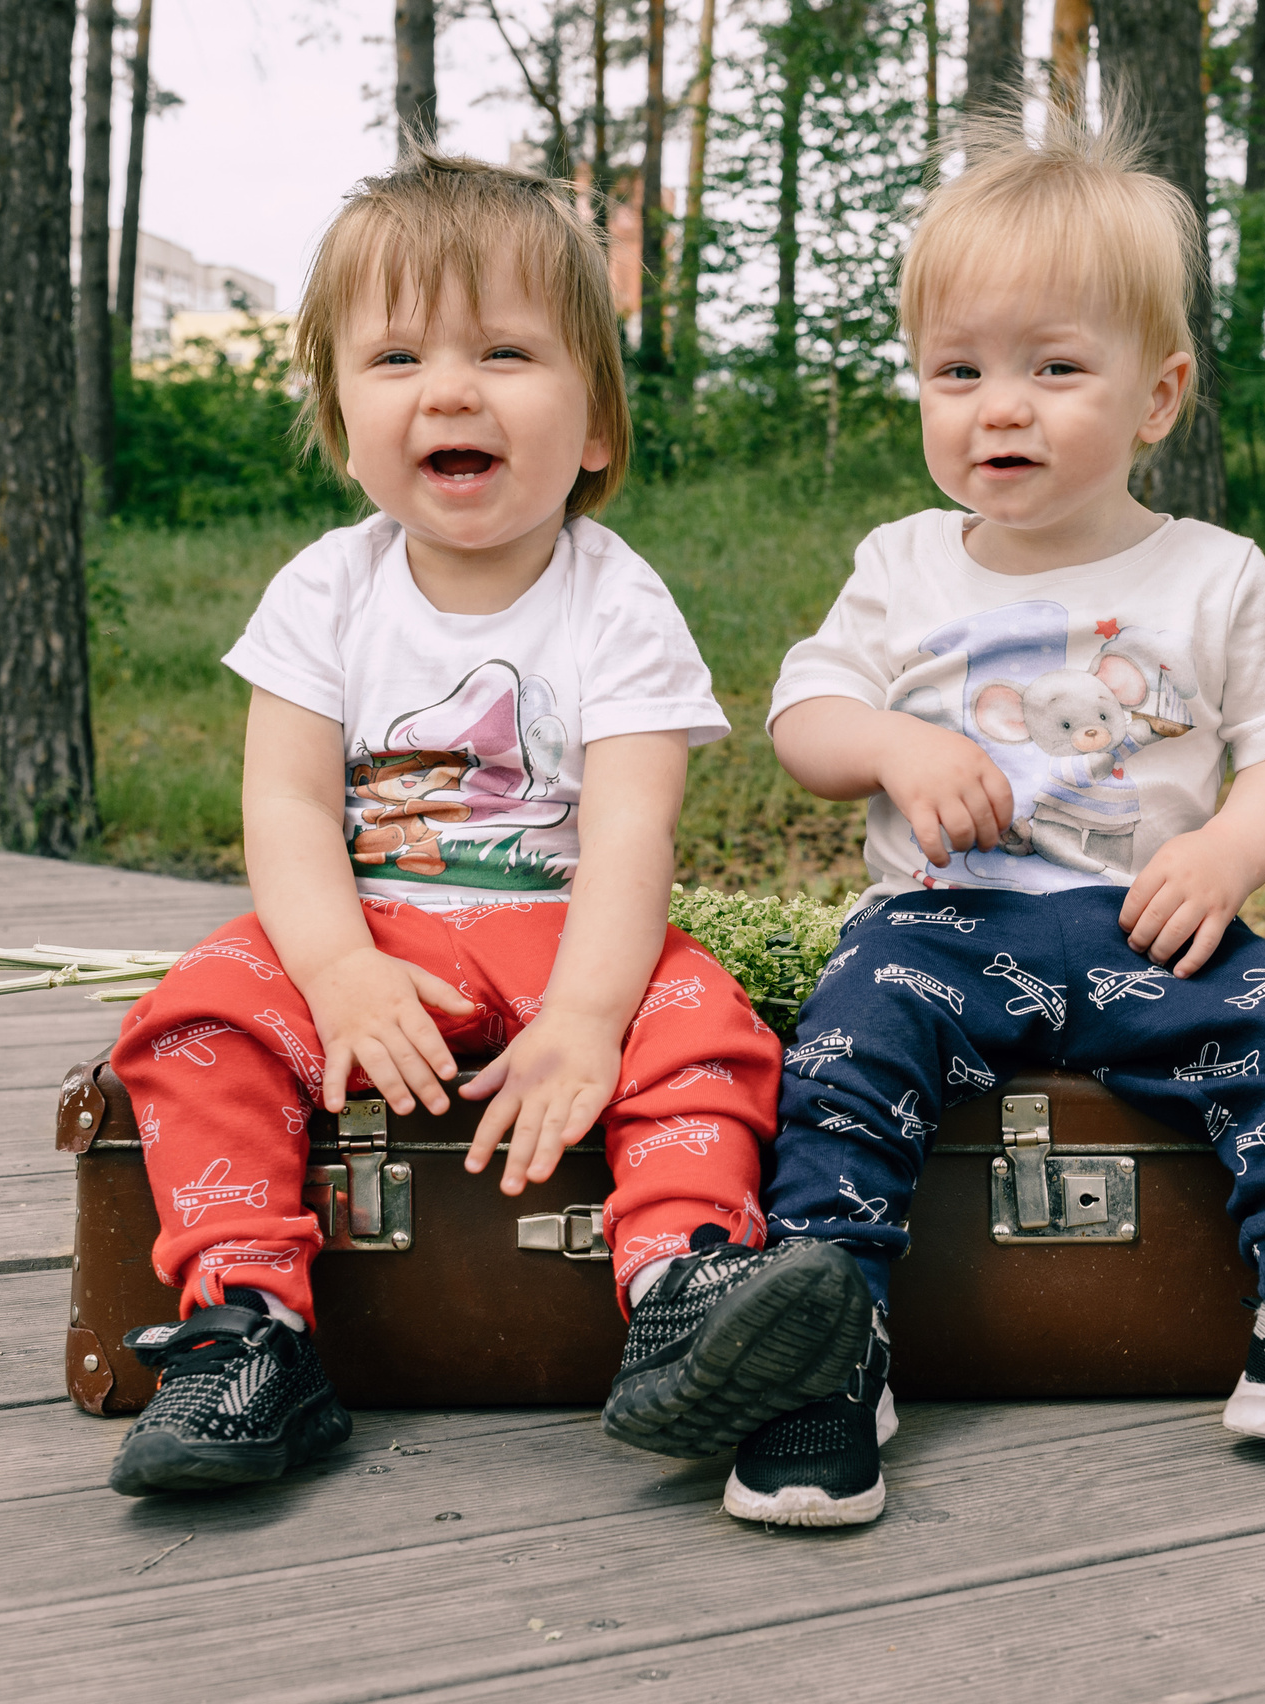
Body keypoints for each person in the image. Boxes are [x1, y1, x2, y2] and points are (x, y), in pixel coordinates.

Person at [628, 116, 1265, 1525]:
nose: (1001, 408)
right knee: (843, 1053)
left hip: (1146, 927)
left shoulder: (1214, 578)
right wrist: (897, 745)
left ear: (1157, 397)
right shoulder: (903, 564)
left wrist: (1225, 848)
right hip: (939, 929)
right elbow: (806, 720)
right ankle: (828, 1351)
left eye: (1055, 369)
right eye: (959, 371)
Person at [102, 152, 872, 1497]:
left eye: (507, 352)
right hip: (373, 929)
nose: (451, 388)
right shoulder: (325, 592)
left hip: (565, 931)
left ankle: (684, 1288)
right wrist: (335, 970)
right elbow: (285, 802)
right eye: (396, 356)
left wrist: (586, 1019)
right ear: (343, 421)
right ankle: (250, 1326)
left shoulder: (613, 601)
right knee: (198, 1019)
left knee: (707, 1033)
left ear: (593, 432)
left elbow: (634, 833)